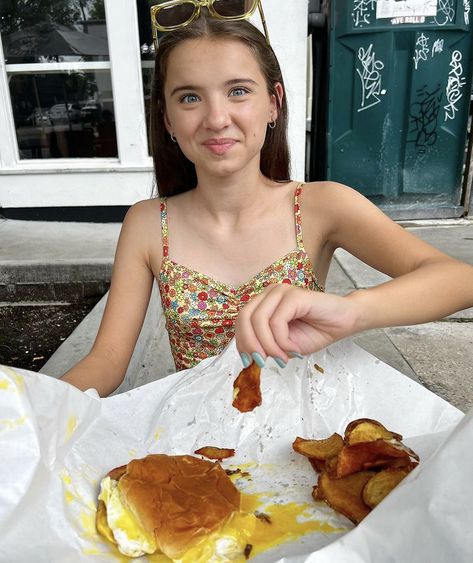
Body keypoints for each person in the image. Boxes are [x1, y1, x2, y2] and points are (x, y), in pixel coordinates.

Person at [61, 5, 473, 397]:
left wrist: (352, 310)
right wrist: (28, 405)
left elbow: (459, 280)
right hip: (198, 447)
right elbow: (107, 361)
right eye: (189, 98)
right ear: (167, 119)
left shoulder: (321, 206)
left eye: (238, 91)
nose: (217, 118)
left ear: (273, 103)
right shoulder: (148, 223)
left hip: (307, 443)